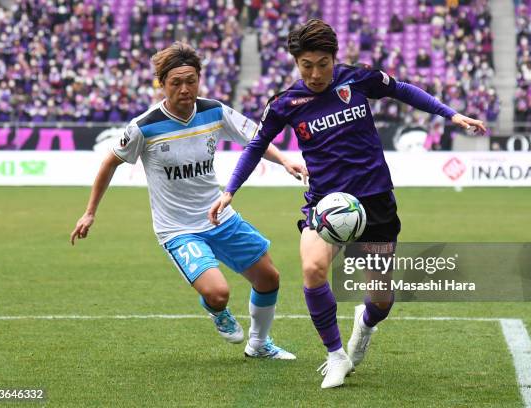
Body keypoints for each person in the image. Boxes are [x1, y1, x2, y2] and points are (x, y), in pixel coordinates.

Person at [208, 19, 486, 388]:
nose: (315, 73)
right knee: (312, 269)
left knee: (381, 300)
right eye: (306, 65)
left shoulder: (357, 80)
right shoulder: (286, 103)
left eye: (322, 63)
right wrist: (230, 190)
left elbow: (403, 90)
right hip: (325, 203)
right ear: (296, 62)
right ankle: (335, 355)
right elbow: (256, 145)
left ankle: (365, 325)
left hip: (375, 202)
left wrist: (451, 114)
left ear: (333, 58)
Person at [70, 42, 307, 359]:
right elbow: (109, 163)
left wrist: (285, 161)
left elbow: (255, 138)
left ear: (199, 79)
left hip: (219, 215)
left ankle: (260, 344)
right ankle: (216, 311)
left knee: (269, 278)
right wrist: (89, 213)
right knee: (218, 294)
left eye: (191, 80)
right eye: (175, 82)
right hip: (178, 229)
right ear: (162, 84)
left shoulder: (214, 111)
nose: (185, 89)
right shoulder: (144, 127)